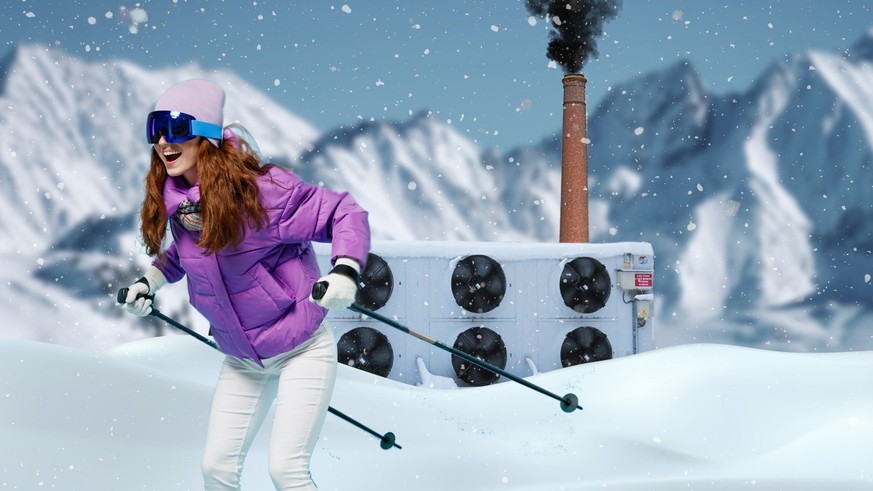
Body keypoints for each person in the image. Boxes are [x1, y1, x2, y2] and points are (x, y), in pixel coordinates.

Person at [117, 79, 370, 490]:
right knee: (216, 470)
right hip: (242, 359)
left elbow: (342, 212)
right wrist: (148, 282)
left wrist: (345, 271)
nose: (164, 140)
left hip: (300, 349)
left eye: (177, 127)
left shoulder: (263, 194)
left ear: (207, 137)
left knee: (285, 471)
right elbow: (185, 255)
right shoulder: (181, 203)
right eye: (155, 128)